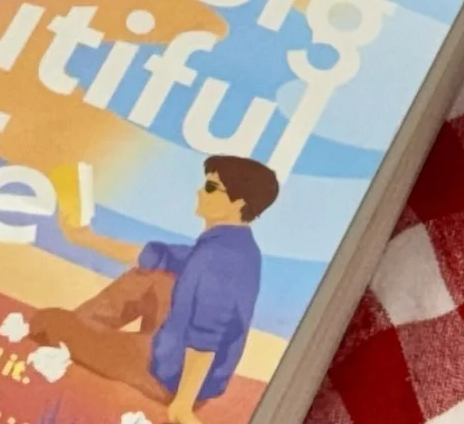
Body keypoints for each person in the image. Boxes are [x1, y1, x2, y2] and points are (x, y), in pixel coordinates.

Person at [26, 155, 276, 421]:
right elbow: (160, 256)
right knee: (154, 275)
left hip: (167, 377)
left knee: (48, 321)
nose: (199, 192)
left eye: (211, 187)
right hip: (179, 357)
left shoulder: (216, 260)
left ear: (238, 203)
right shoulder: (234, 244)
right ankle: (86, 329)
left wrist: (182, 403)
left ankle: (78, 335)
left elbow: (206, 337)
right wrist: (86, 238)